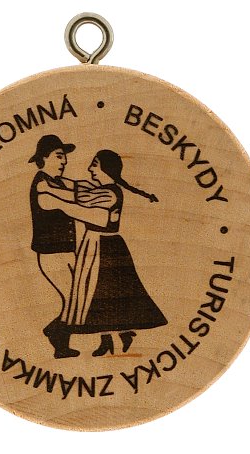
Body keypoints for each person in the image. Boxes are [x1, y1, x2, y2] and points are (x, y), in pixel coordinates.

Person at [39, 149, 168, 357]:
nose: (90, 169)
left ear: (106, 169)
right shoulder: (103, 189)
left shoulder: (109, 193)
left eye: (94, 165)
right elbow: (77, 187)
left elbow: (82, 200)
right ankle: (109, 339)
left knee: (99, 292)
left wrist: (52, 197)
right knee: (101, 295)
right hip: (97, 244)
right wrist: (54, 186)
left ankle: (118, 334)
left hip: (102, 246)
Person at [29, 135, 109, 359]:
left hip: (68, 250)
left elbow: (80, 187)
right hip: (51, 253)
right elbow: (64, 199)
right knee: (72, 299)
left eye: (64, 156)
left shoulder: (60, 182)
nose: (64, 161)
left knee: (80, 298)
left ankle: (56, 333)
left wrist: (102, 186)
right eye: (59, 156)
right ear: (44, 157)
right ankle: (59, 341)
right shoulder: (41, 183)